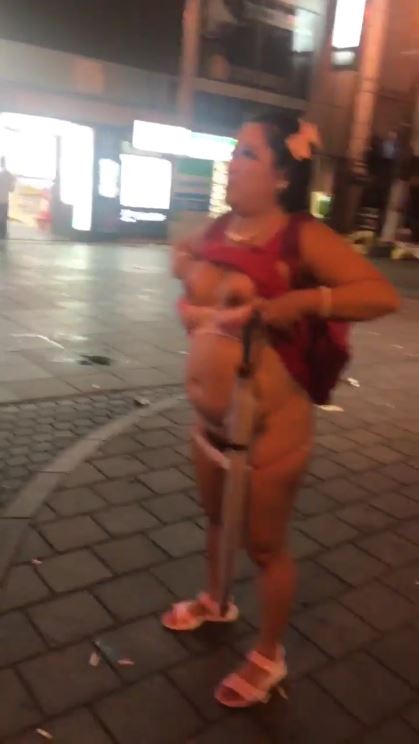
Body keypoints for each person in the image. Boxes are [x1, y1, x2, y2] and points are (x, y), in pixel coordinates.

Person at [162, 113, 400, 708]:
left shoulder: (302, 236)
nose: (232, 164)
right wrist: (192, 291)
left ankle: (269, 656)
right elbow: (183, 259)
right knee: (217, 522)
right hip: (210, 423)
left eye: (247, 154)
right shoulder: (221, 227)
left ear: (282, 177)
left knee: (265, 547)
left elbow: (380, 294)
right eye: (234, 151)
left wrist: (304, 301)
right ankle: (216, 600)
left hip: (271, 428)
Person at [0, 156, 15, 240]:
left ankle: (2, 235)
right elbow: (11, 189)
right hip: (4, 200)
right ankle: (3, 235)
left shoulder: (4, 174)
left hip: (3, 200)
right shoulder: (8, 175)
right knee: (3, 219)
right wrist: (12, 182)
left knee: (2, 219)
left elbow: (11, 189)